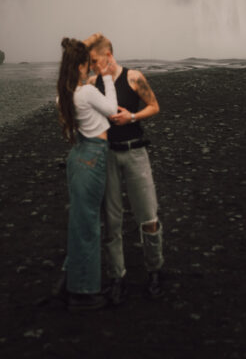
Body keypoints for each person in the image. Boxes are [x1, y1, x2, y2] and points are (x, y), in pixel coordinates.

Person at [85, 33, 165, 303]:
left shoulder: (134, 78)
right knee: (112, 222)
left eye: (95, 61)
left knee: (148, 217)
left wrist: (131, 116)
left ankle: (154, 270)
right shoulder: (93, 83)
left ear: (108, 55)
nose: (93, 66)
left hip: (135, 152)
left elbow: (154, 106)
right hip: (108, 156)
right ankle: (117, 277)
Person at [56, 36, 119, 311]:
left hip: (78, 156)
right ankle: (84, 292)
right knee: (89, 226)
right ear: (82, 66)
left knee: (80, 223)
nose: (91, 68)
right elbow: (112, 109)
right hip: (93, 157)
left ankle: (70, 282)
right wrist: (105, 77)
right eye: (88, 65)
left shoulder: (64, 94)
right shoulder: (87, 93)